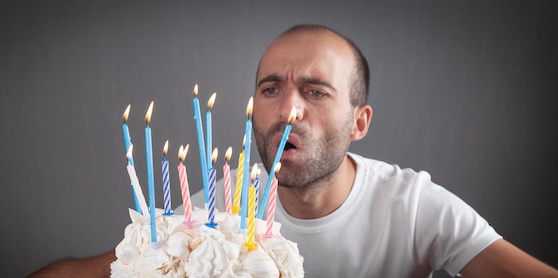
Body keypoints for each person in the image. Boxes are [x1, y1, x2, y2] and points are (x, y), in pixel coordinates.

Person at [29, 24, 558, 277]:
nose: (289, 110)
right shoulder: (222, 205)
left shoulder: (413, 205)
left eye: (315, 90)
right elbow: (101, 270)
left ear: (360, 122)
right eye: (271, 89)